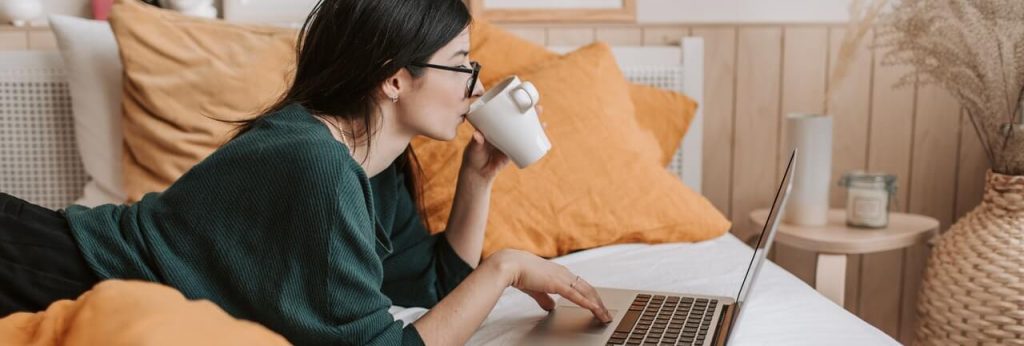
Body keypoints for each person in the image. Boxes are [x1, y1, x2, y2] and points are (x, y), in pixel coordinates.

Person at [0, 0, 612, 344]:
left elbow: (423, 289)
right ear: (395, 77)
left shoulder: (374, 162)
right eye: (460, 65)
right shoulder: (314, 164)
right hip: (45, 270)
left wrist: (478, 178)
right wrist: (504, 267)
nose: (474, 84)